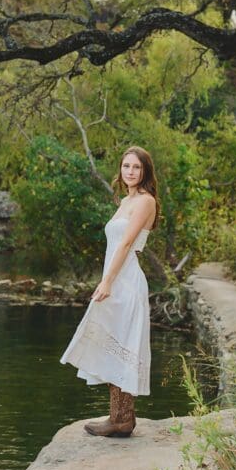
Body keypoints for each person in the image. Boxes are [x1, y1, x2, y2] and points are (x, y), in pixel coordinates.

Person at [60, 145, 160, 438]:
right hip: (116, 280)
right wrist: (106, 280)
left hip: (126, 282)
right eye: (126, 166)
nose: (130, 171)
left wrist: (107, 282)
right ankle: (119, 416)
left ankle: (123, 419)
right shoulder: (127, 200)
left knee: (122, 344)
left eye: (136, 167)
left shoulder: (144, 201)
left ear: (145, 172)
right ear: (120, 169)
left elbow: (126, 245)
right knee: (109, 342)